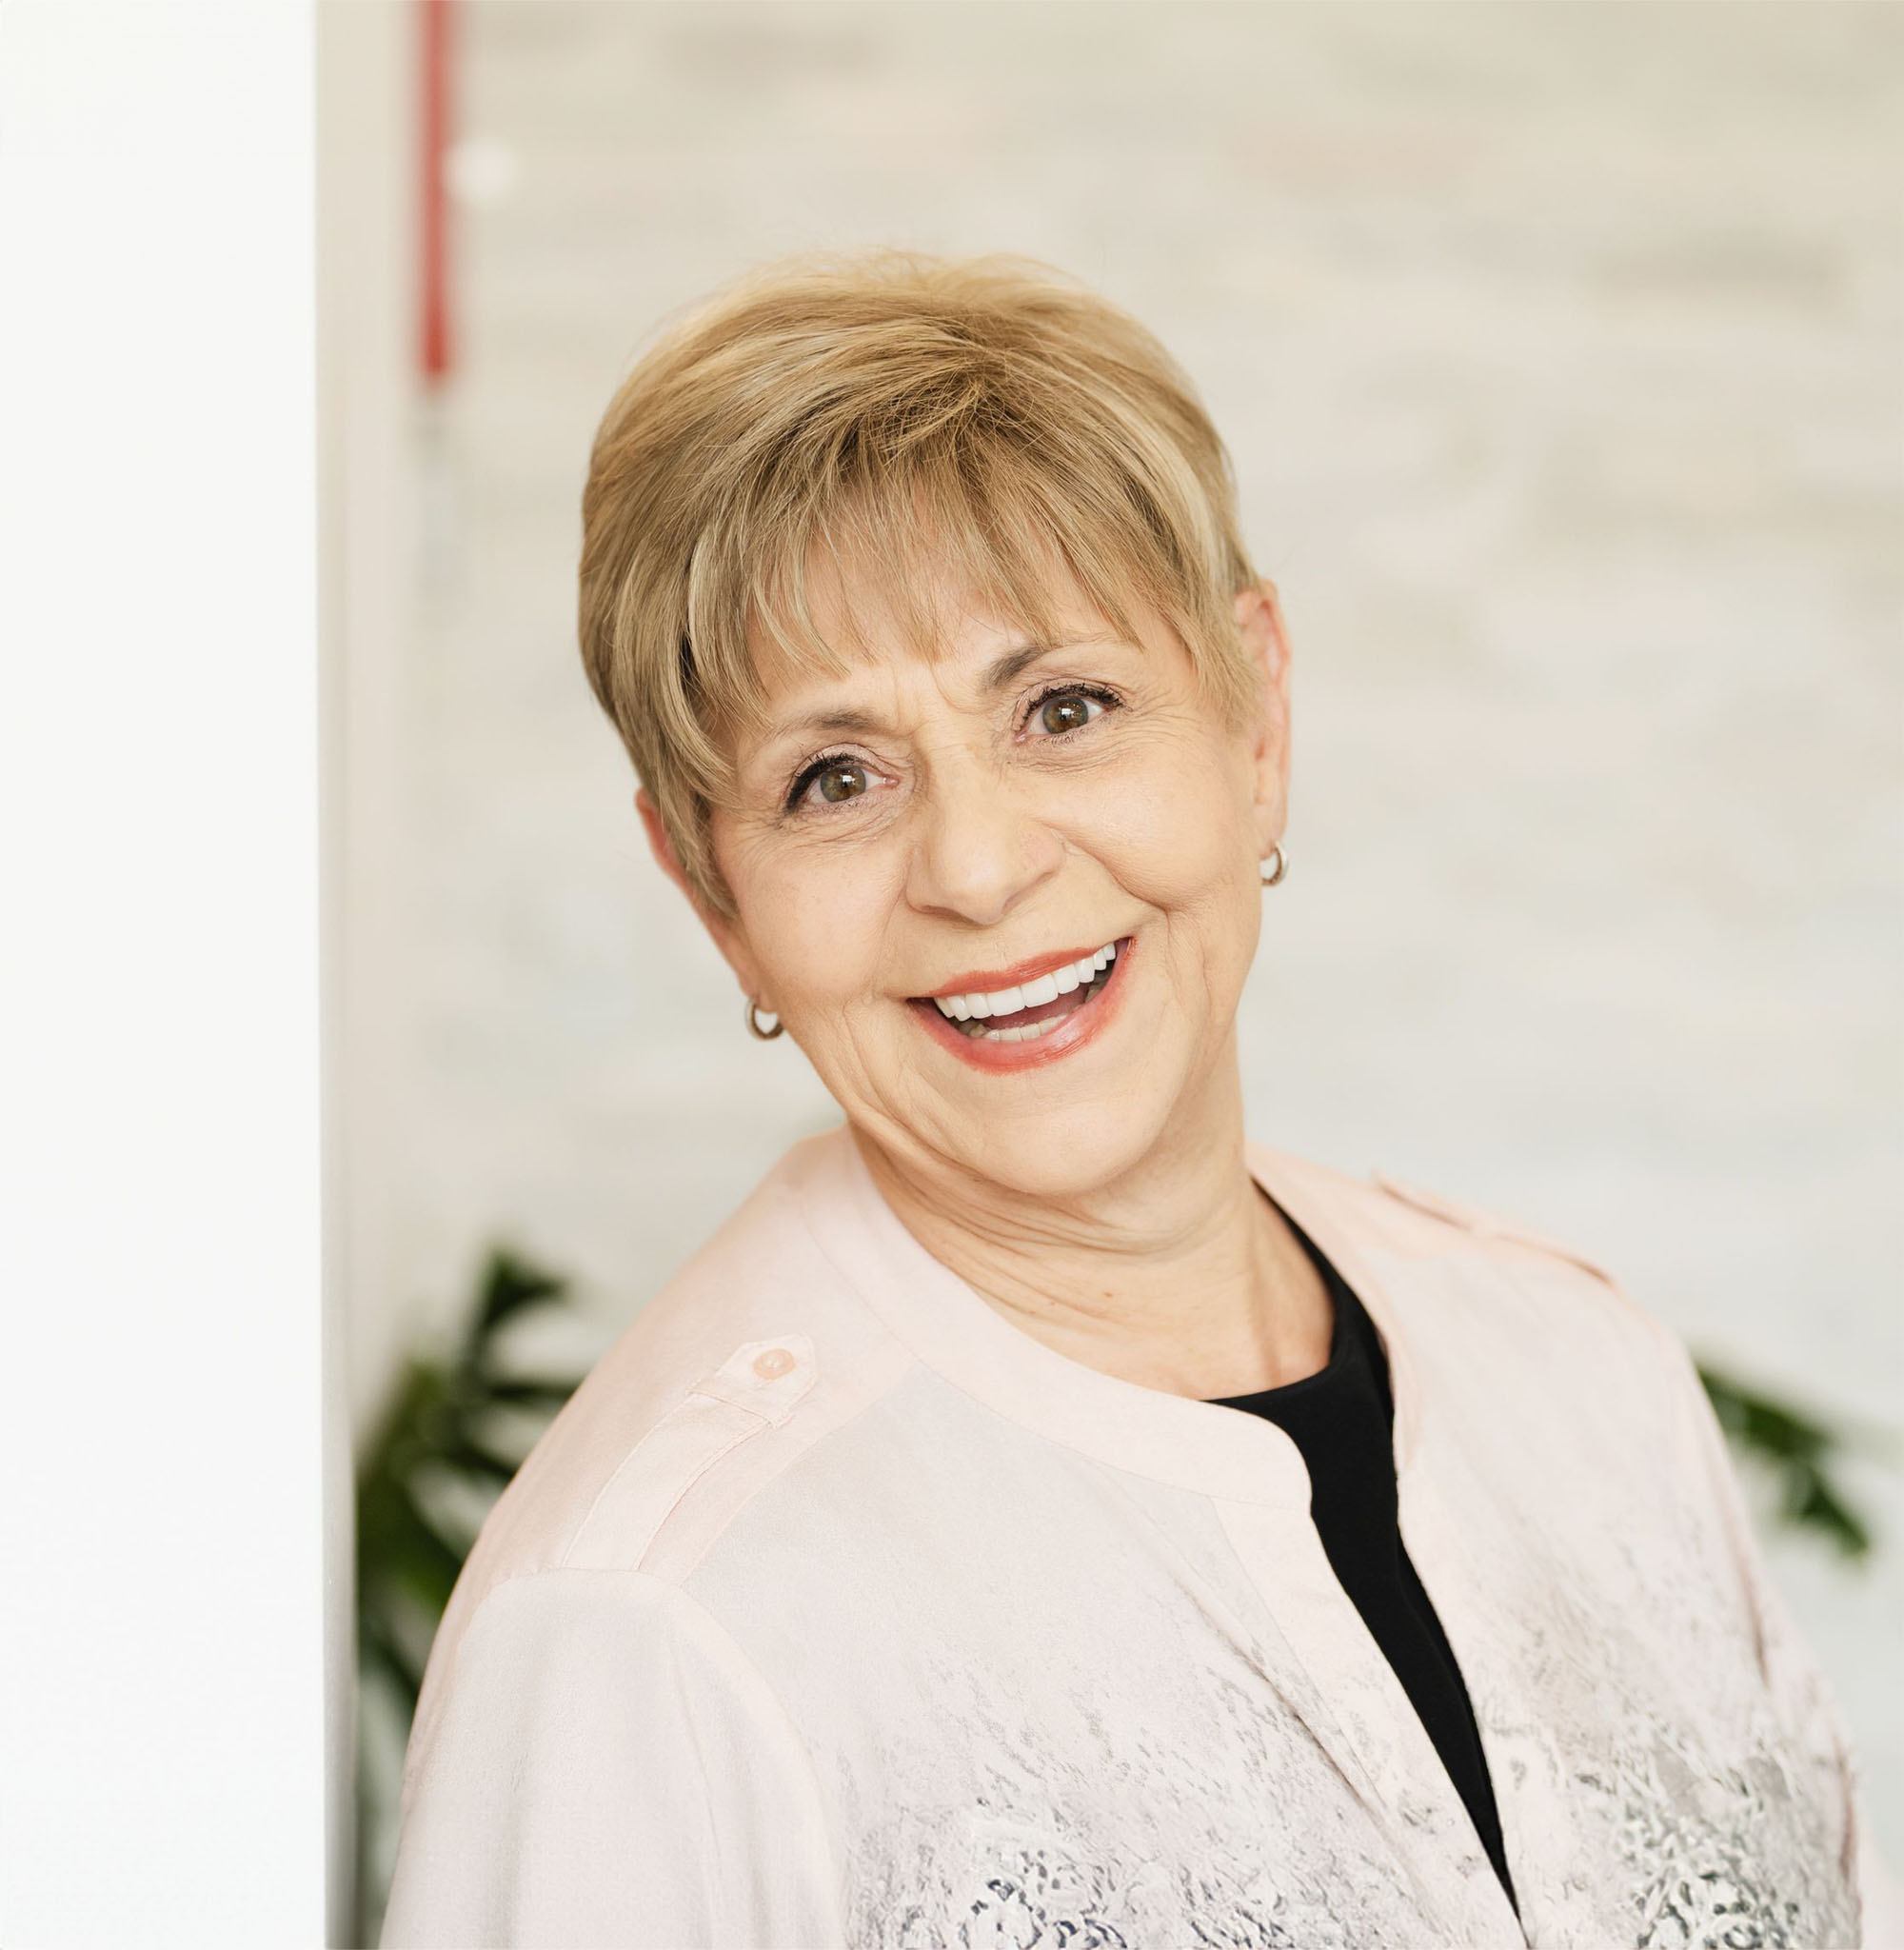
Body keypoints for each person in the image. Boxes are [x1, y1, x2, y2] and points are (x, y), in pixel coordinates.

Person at [381, 252, 1894, 1948]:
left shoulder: (1585, 1377)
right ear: (711, 890)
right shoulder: (640, 1625)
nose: (974, 864)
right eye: (834, 778)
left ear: (1256, 715)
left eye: (1067, 708)